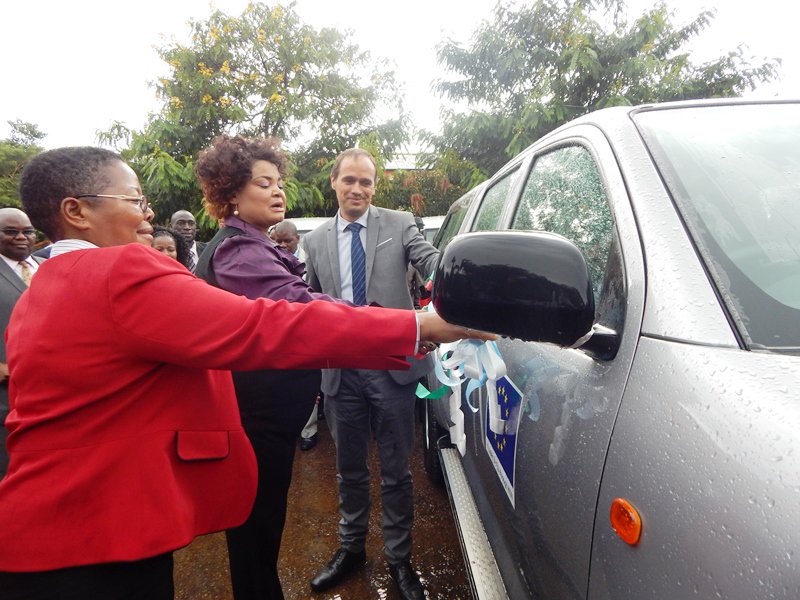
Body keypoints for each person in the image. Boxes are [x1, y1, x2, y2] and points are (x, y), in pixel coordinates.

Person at [0, 146, 491, 600]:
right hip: (96, 539)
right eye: (134, 199)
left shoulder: (44, 286)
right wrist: (417, 324)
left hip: (54, 530)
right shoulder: (119, 272)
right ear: (76, 211)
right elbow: (265, 323)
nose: (148, 213)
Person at [194, 134, 353, 600]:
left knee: (260, 531)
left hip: (266, 421)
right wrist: (407, 324)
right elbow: (302, 311)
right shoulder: (238, 252)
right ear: (230, 194)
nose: (278, 191)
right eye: (264, 183)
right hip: (254, 422)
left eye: (279, 182)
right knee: (255, 534)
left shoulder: (254, 245)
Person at [303, 148, 440, 600]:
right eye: (350, 181)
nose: (357, 189)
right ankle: (351, 548)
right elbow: (310, 302)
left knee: (398, 472)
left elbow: (431, 262)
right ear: (334, 182)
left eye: (366, 182)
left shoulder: (399, 224)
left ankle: (401, 560)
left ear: (375, 186)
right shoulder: (317, 240)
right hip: (342, 374)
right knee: (349, 469)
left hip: (393, 371)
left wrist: (460, 284)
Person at [0, 208, 43, 479]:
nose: (21, 237)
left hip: (46, 398)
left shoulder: (47, 267)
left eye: (27, 231)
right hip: (5, 397)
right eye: (10, 232)